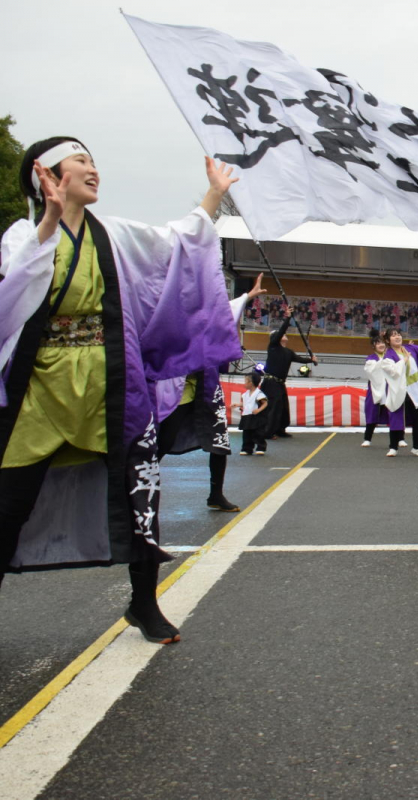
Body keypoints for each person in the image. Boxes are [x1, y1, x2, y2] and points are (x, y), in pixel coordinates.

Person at [0, 137, 241, 644]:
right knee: (9, 500)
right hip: (41, 386)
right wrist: (48, 221)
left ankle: (143, 603)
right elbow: (14, 292)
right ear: (46, 173)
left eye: (93, 161)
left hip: (112, 384)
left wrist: (213, 196)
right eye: (81, 161)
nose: (93, 170)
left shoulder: (113, 234)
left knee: (140, 495)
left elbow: (177, 243)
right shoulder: (22, 234)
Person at [155, 272, 270, 511]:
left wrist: (248, 296)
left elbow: (226, 312)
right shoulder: (168, 309)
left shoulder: (205, 311)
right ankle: (136, 484)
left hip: (206, 386)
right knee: (162, 442)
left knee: (219, 442)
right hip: (177, 387)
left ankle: (215, 494)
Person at [263, 304, 317, 438]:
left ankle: (280, 429)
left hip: (280, 383)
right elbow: (281, 331)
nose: (285, 335)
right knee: (274, 408)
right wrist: (287, 318)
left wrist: (311, 360)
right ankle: (268, 432)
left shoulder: (288, 352)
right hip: (271, 382)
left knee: (283, 408)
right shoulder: (273, 347)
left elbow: (299, 359)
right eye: (282, 334)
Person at [380, 327, 418, 457]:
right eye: (393, 336)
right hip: (400, 390)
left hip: (416, 388)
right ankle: (393, 447)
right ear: (388, 340)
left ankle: (417, 447)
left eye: (398, 334)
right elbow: (392, 371)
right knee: (397, 417)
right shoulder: (388, 355)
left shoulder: (410, 349)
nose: (397, 337)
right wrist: (403, 360)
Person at [361, 332, 397, 449]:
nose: (380, 345)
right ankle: (367, 438)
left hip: (390, 388)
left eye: (382, 342)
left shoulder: (391, 356)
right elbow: (372, 370)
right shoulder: (371, 358)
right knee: (372, 413)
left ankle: (399, 438)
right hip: (375, 389)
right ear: (373, 346)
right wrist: (384, 360)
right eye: (377, 343)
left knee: (394, 413)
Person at [238, 372, 269, 455]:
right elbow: (245, 403)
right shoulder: (245, 394)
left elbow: (265, 403)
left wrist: (258, 410)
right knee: (247, 433)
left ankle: (260, 447)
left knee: (258, 433)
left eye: (245, 381)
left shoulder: (259, 394)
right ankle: (247, 448)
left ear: (250, 383)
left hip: (257, 416)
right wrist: (238, 405)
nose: (244, 383)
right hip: (247, 416)